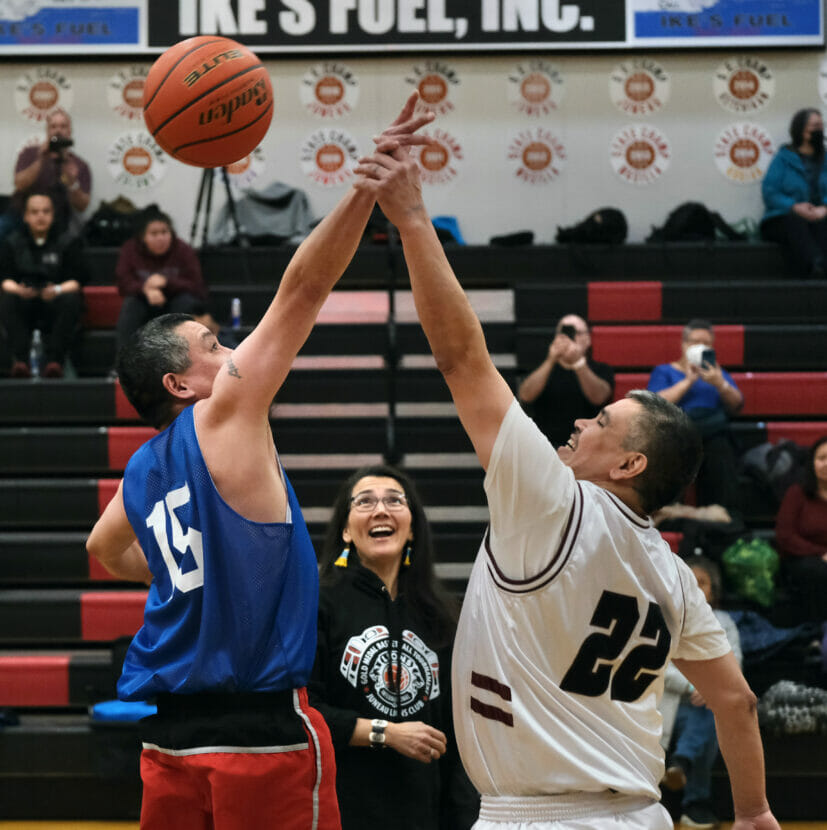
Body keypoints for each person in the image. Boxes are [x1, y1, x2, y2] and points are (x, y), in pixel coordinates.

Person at [353, 141, 780, 830]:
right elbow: (735, 701)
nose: (581, 419)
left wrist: (411, 220)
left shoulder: (553, 501)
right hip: (640, 813)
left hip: (537, 817)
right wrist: (755, 810)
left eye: (603, 420)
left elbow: (460, 357)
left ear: (628, 466)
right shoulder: (673, 576)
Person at [84, 93, 433, 830]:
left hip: (168, 737)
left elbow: (103, 550)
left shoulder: (145, 469)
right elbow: (303, 289)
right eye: (212, 345)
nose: (231, 351)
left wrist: (199, 568)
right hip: (259, 733)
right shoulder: (225, 413)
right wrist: (364, 190)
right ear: (180, 384)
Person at [309, 463, 479, 830]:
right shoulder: (318, 603)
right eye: (365, 502)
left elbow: (458, 736)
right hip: (343, 811)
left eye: (394, 500)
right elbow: (304, 712)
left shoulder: (442, 615)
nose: (381, 509)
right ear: (346, 530)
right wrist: (384, 733)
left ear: (413, 528)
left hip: (424, 813)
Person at [660, 556, 743, 830]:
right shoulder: (663, 617)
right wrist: (697, 686)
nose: (696, 588)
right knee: (709, 709)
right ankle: (697, 804)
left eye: (703, 583)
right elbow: (660, 666)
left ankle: (682, 764)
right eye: (690, 582)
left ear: (713, 591)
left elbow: (735, 663)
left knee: (710, 713)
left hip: (707, 703)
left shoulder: (724, 621)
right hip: (669, 704)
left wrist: (710, 691)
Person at [647, 319, 743, 514]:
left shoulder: (717, 374)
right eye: (694, 342)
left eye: (706, 343)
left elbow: (737, 404)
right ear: (683, 344)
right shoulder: (665, 371)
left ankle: (721, 522)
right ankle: (670, 520)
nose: (700, 347)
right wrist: (689, 380)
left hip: (712, 434)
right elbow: (655, 402)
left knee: (721, 457)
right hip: (676, 434)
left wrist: (720, 383)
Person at [0, 191, 87, 378]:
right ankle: (21, 360)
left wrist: (57, 290)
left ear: (53, 215)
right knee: (7, 300)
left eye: (46, 211)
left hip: (55, 299)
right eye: (35, 212)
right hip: (24, 299)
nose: (40, 216)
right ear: (26, 216)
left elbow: (77, 280)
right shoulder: (11, 242)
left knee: (71, 300)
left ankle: (55, 361)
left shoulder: (68, 242)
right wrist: (18, 290)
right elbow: (4, 279)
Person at [115, 210, 208, 353]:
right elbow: (123, 283)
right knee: (131, 305)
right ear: (143, 237)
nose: (160, 238)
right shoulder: (130, 250)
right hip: (143, 300)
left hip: (176, 300)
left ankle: (182, 361)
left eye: (164, 232)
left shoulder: (183, 249)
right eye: (154, 234)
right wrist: (146, 288)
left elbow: (196, 285)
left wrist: (167, 282)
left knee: (186, 303)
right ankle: (122, 365)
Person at [517, 315, 614, 448]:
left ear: (588, 339)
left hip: (589, 447)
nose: (570, 338)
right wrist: (551, 359)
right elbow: (525, 395)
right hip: (547, 447)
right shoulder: (542, 369)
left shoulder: (602, 369)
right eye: (564, 333)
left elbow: (599, 397)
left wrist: (578, 363)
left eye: (577, 333)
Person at [760, 108, 827, 278]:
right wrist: (794, 207)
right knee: (796, 222)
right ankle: (817, 262)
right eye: (815, 126)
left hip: (819, 216)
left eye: (821, 125)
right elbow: (770, 192)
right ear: (802, 130)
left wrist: (824, 209)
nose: (819, 129)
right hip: (783, 218)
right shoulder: (782, 158)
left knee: (821, 224)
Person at [13, 108, 91, 237]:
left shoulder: (79, 165)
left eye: (63, 126)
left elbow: (82, 206)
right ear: (47, 131)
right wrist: (40, 159)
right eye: (53, 126)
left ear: (70, 131)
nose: (58, 130)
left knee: (76, 242)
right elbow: (20, 185)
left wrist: (72, 183)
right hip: (21, 215)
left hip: (58, 219)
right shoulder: (30, 154)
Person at [774, 434, 827, 623]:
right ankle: (818, 632)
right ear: (812, 463)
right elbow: (785, 536)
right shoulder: (797, 493)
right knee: (817, 572)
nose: (826, 464)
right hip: (801, 560)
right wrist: (821, 553)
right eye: (821, 458)